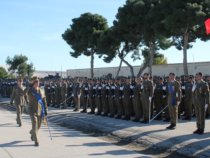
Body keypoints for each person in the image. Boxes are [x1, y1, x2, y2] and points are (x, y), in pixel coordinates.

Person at [22, 76, 48, 146]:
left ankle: (32, 132)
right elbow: (23, 93)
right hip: (32, 110)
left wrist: (46, 110)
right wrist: (28, 87)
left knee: (38, 125)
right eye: (36, 82)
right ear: (32, 83)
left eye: (38, 81)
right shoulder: (30, 90)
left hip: (40, 110)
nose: (38, 83)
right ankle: (36, 141)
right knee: (35, 124)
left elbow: (44, 101)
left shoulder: (41, 90)